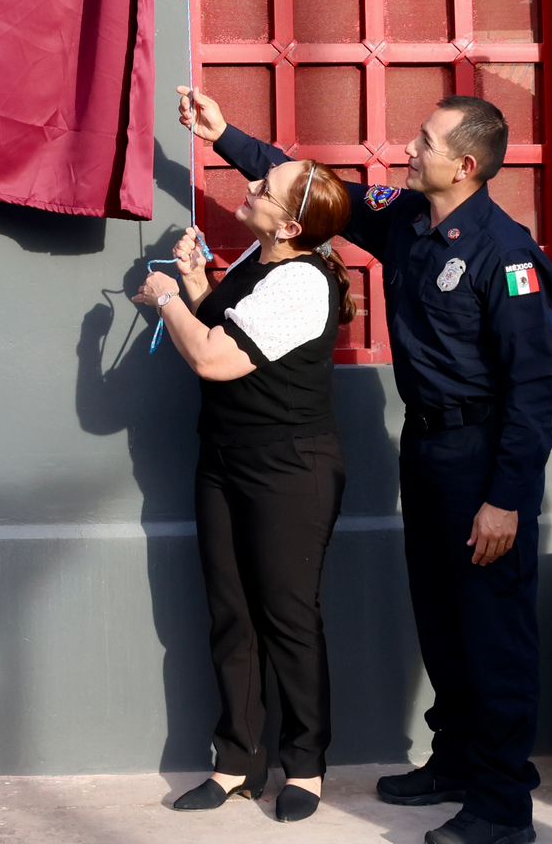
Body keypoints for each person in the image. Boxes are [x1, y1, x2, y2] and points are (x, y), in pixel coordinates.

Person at [181, 86, 552, 844]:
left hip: (484, 459)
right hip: (425, 448)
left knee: (492, 634)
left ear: (466, 166)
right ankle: (454, 761)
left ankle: (501, 806)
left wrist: (508, 498)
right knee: (442, 621)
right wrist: (226, 138)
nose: (408, 149)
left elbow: (534, 387)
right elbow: (321, 195)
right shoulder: (408, 219)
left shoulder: (507, 254)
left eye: (426, 142)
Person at [134, 156, 354, 823]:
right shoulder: (261, 259)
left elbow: (212, 358)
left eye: (266, 188)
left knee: (288, 617)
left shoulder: (304, 281)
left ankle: (306, 766)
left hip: (290, 466)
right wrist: (197, 284)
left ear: (290, 226)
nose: (252, 186)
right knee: (232, 615)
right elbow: (228, 328)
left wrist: (166, 300)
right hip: (227, 458)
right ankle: (236, 762)